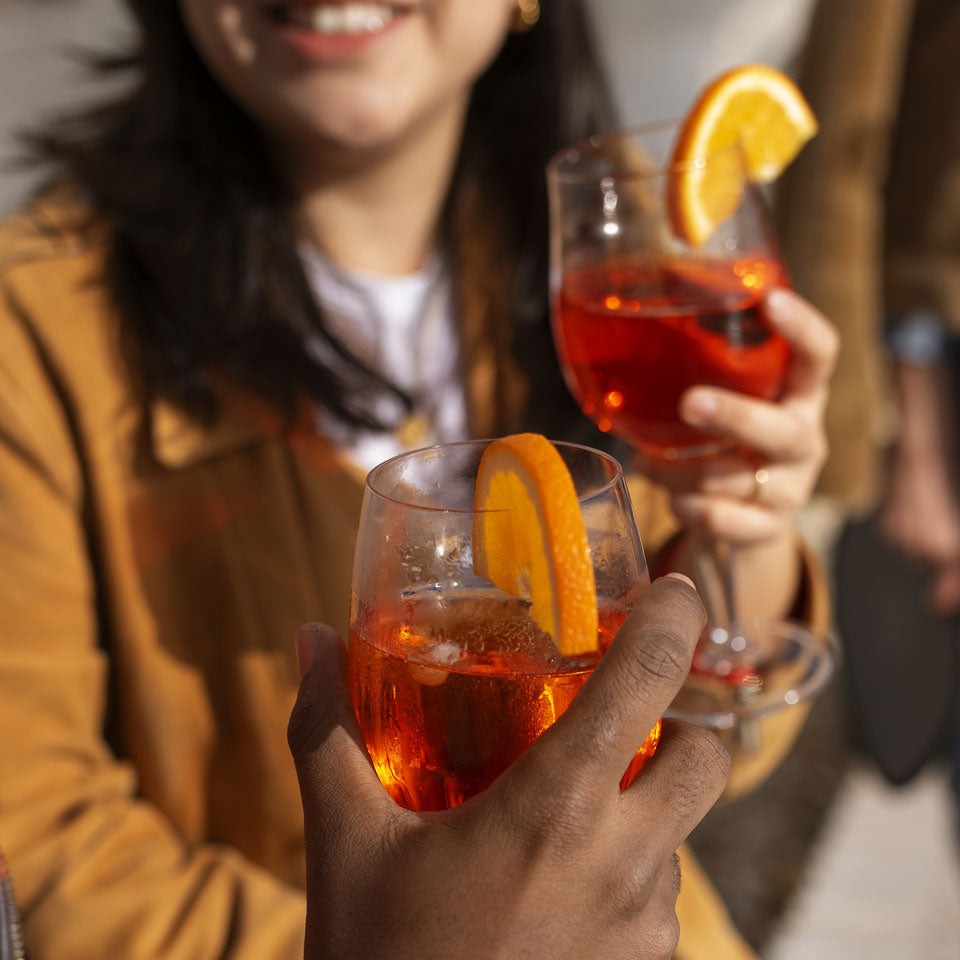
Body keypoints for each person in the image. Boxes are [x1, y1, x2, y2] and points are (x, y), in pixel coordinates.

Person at [0, 1, 835, 957]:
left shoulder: (601, 255)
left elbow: (673, 722)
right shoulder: (32, 337)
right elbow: (39, 842)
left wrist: (743, 531)